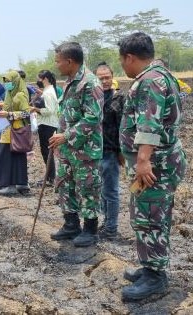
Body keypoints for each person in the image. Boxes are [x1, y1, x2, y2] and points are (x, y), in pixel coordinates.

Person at [117, 32, 187, 301]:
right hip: (160, 161)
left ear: (130, 57)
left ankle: (155, 277)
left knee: (151, 217)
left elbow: (150, 124)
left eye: (122, 61)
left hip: (155, 164)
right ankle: (150, 266)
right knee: (148, 215)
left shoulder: (149, 81)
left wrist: (143, 161)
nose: (122, 66)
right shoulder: (161, 74)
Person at [49, 42, 104, 247]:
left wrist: (66, 135)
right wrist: (60, 136)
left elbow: (93, 118)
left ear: (69, 61)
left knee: (88, 189)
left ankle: (90, 230)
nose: (57, 65)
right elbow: (67, 115)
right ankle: (71, 224)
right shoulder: (69, 82)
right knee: (66, 185)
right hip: (67, 149)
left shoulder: (90, 83)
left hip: (85, 150)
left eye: (58, 61)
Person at [93, 62, 125, 239]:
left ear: (112, 77)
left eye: (107, 77)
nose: (104, 81)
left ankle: (111, 228)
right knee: (101, 189)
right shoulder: (93, 99)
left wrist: (121, 151)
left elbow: (123, 127)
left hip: (111, 151)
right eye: (101, 78)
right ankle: (105, 223)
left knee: (111, 190)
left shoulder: (118, 99)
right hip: (95, 151)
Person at [0, 71, 31, 196]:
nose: (6, 84)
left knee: (9, 158)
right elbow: (5, 109)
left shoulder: (20, 95)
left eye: (9, 81)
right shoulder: (9, 94)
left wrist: (9, 114)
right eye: (5, 81)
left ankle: (11, 185)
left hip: (16, 131)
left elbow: (27, 113)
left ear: (15, 81)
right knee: (15, 157)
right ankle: (21, 183)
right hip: (8, 130)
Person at [30, 70, 60, 185]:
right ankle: (49, 177)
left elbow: (49, 110)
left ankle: (51, 178)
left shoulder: (48, 93)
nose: (38, 81)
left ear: (45, 79)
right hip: (47, 124)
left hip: (48, 125)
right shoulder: (48, 91)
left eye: (39, 79)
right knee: (46, 152)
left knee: (47, 152)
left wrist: (35, 109)